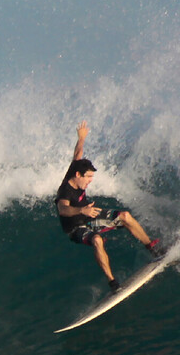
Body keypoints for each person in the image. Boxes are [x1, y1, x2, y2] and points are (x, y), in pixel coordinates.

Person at [55, 121, 163, 292]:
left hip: (89, 216)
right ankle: (113, 283)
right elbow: (63, 209)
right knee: (97, 240)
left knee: (125, 216)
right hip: (75, 228)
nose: (90, 181)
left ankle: (153, 248)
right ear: (77, 175)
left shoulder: (75, 169)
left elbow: (78, 153)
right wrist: (81, 210)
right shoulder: (65, 192)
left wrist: (81, 137)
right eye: (88, 177)